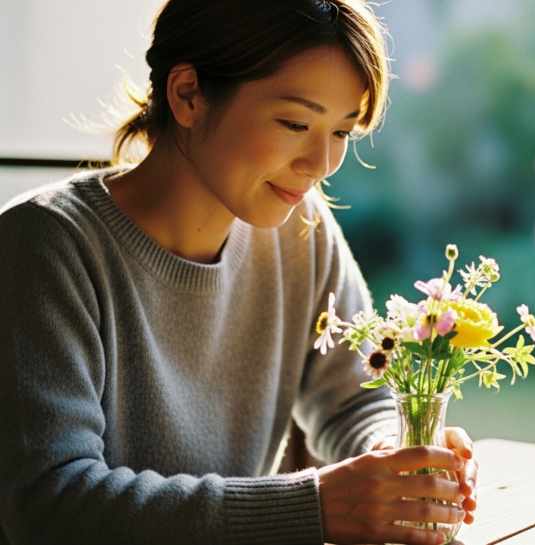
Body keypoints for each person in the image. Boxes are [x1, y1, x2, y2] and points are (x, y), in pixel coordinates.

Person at [0, 0, 478, 543]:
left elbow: (354, 398)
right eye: (296, 123)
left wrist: (392, 457)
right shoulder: (44, 244)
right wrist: (316, 506)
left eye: (343, 132)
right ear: (187, 95)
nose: (320, 165)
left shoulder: (303, 230)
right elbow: (49, 503)